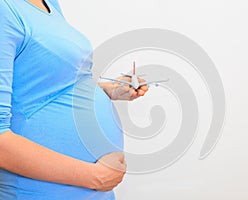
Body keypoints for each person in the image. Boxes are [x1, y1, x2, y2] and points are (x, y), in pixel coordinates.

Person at [0, 0, 148, 199]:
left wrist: (108, 90)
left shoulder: (50, 3)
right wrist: (93, 176)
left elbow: (55, 84)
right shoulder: (5, 9)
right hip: (43, 192)